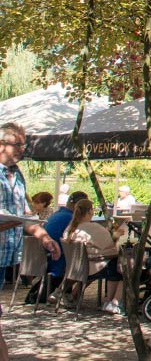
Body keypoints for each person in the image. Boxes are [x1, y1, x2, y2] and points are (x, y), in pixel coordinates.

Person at [0, 123, 63, 358]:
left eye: (23, 144)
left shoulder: (17, 174)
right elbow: (18, 219)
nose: (21, 149)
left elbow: (25, 216)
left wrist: (45, 238)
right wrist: (15, 221)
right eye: (16, 143)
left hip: (4, 260)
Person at [63, 199, 124, 314]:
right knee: (122, 268)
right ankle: (113, 302)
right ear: (91, 211)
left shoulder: (70, 228)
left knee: (114, 264)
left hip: (74, 268)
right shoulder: (93, 228)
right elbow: (110, 243)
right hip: (92, 268)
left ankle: (109, 301)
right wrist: (117, 235)